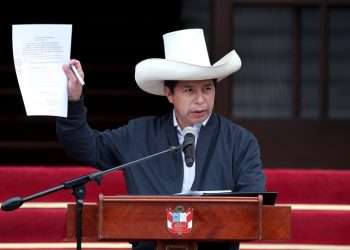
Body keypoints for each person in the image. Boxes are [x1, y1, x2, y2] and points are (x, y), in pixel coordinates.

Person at [57, 28, 265, 250]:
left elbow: (253, 206)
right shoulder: (138, 134)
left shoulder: (240, 141)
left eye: (207, 89)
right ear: (169, 93)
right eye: (189, 90)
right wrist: (73, 99)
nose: (201, 100)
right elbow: (86, 147)